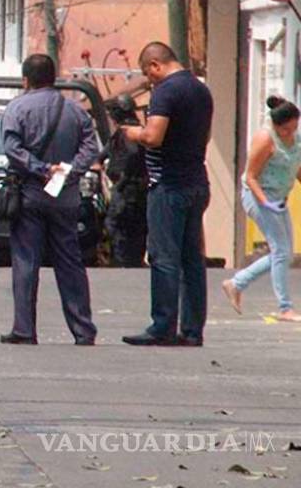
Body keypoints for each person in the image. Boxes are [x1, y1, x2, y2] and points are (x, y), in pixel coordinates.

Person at [0, 54, 100, 345]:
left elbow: (12, 148)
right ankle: (83, 330)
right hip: (65, 196)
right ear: (54, 78)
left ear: (25, 80)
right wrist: (67, 173)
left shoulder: (16, 108)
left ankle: (24, 329)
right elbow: (90, 147)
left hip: (29, 193)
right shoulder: (76, 110)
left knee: (26, 261)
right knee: (70, 262)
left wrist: (41, 169)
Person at [120, 42, 213, 347]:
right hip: (197, 181)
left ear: (156, 65)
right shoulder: (201, 91)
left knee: (164, 257)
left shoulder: (166, 92)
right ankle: (192, 329)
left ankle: (162, 326)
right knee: (193, 259)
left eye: (149, 74)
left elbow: (153, 136)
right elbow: (205, 135)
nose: (150, 81)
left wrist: (132, 132)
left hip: (169, 184)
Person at [222, 96, 301, 321]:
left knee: (284, 253)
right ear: (276, 126)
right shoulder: (265, 139)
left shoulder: (296, 140)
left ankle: (236, 284)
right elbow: (251, 177)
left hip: (278, 198)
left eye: (294, 128)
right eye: (285, 129)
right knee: (281, 251)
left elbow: (295, 167)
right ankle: (285, 307)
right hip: (258, 197)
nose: (289, 133)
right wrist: (265, 203)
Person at [99, 93, 149, 267]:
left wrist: (122, 177)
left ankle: (124, 265)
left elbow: (132, 154)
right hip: (138, 191)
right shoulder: (134, 131)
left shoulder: (129, 133)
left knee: (116, 227)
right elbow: (102, 155)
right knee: (136, 230)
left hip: (127, 191)